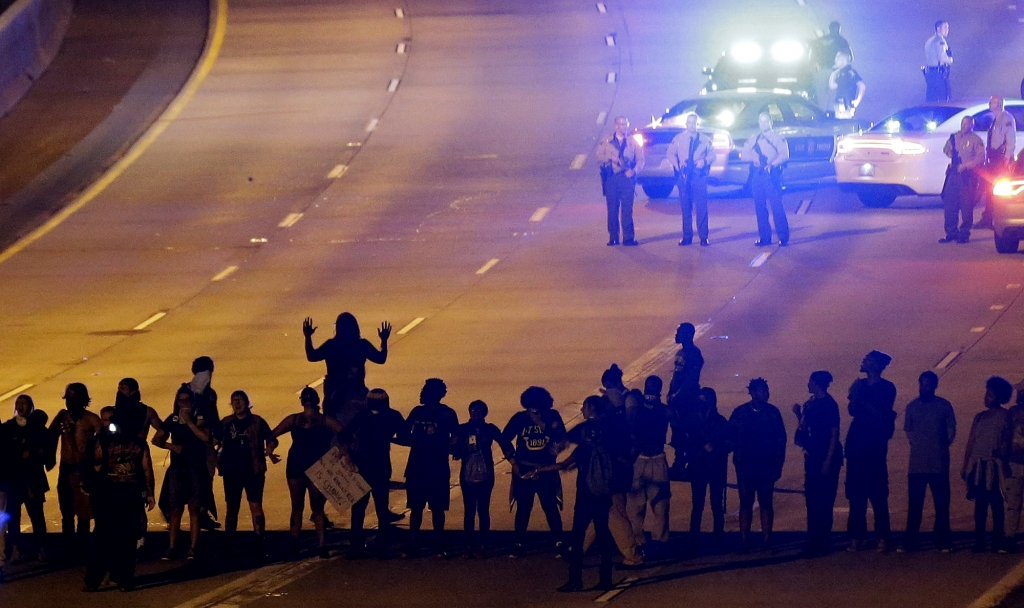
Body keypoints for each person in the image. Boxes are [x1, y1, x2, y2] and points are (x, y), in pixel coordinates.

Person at [536, 396, 616, 593]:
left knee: (578, 536)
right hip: (604, 492)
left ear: (590, 408)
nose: (582, 411)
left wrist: (540, 469)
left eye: (584, 407)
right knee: (604, 535)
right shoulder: (610, 430)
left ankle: (576, 579)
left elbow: (563, 458)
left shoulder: (583, 440)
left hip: (586, 494)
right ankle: (606, 578)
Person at [83, 408, 156, 592]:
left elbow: (96, 465)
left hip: (110, 496)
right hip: (125, 496)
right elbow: (146, 468)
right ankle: (123, 578)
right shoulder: (138, 443)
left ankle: (97, 579)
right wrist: (149, 492)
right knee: (125, 540)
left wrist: (91, 485)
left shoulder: (103, 441)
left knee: (104, 539)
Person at [270, 387, 342, 559]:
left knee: (298, 507)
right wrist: (341, 453)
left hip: (298, 465)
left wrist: (271, 448)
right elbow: (345, 434)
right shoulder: (324, 420)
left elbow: (272, 434)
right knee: (316, 509)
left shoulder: (295, 419)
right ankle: (321, 545)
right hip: (315, 467)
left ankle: (296, 544)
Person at [502, 386, 567, 557]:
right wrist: (513, 461)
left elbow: (562, 437)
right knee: (523, 507)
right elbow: (504, 439)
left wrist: (553, 450)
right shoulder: (519, 419)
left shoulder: (552, 416)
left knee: (550, 506)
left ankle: (558, 541)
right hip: (524, 467)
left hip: (545, 469)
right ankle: (519, 542)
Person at [399, 378, 459, 557]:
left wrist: (444, 446)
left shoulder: (447, 414)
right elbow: (403, 432)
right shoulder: (417, 412)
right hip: (418, 467)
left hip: (436, 468)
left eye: (427, 390)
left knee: (437, 508)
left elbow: (455, 436)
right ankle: (413, 542)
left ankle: (437, 543)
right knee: (416, 507)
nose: (423, 393)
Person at [844, 350, 897, 552]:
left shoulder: (886, 388)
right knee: (856, 493)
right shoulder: (859, 385)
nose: (863, 361)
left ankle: (883, 536)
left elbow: (882, 414)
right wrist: (855, 398)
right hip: (857, 444)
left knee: (877, 492)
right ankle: (856, 536)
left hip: (874, 445)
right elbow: (852, 410)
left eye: (867, 360)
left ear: (875, 365)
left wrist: (861, 399)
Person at [343, 388, 406, 559]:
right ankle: (382, 546)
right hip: (381, 467)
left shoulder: (362, 416)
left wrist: (349, 452)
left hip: (363, 466)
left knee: (359, 509)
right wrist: (388, 438)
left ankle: (356, 546)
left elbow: (344, 435)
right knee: (381, 509)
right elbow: (405, 435)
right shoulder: (392, 416)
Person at [153, 385, 213, 560]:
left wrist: (189, 422)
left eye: (187, 400)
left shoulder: (200, 417)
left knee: (194, 508)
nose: (183, 404)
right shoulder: (172, 419)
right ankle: (172, 547)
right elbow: (157, 439)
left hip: (196, 467)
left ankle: (193, 547)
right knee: (175, 509)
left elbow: (206, 438)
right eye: (181, 401)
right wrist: (172, 446)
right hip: (179, 468)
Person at [217, 390, 278, 557]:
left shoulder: (257, 421)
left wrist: (270, 448)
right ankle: (228, 544)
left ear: (247, 402)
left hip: (253, 470)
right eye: (234, 400)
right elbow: (213, 440)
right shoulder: (226, 423)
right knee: (232, 508)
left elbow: (272, 438)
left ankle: (259, 543)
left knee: (256, 507)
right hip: (232, 471)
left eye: (240, 400)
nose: (237, 403)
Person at [901, 371, 956, 552]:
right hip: (917, 465)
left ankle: (943, 541)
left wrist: (936, 445)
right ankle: (911, 541)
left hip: (938, 464)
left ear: (935, 385)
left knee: (941, 505)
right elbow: (908, 431)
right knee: (915, 505)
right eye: (923, 383)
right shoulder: (912, 407)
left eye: (929, 384)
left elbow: (951, 431)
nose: (926, 387)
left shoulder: (944, 406)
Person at [730, 378, 787, 552]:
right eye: (763, 390)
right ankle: (744, 539)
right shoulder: (740, 413)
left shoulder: (772, 413)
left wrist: (778, 465)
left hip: (765, 465)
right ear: (753, 393)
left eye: (766, 390)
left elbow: (780, 441)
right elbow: (731, 436)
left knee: (765, 502)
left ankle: (766, 539)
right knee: (745, 503)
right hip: (746, 466)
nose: (766, 394)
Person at [303, 314, 391, 425]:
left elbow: (312, 356)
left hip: (334, 392)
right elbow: (381, 358)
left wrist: (308, 337)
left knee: (329, 424)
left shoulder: (332, 345)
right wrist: (384, 340)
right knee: (365, 423)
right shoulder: (361, 345)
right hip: (357, 391)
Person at [453, 400, 513, 557]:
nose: (475, 413)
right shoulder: (462, 429)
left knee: (483, 510)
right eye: (472, 410)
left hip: (486, 474)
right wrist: (461, 448)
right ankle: (468, 544)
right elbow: (452, 448)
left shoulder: (490, 429)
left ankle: (483, 544)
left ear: (484, 413)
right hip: (467, 474)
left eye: (478, 410)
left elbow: (505, 443)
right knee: (469, 510)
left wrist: (515, 462)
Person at [793, 371, 843, 556]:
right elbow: (806, 428)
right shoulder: (810, 404)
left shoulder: (829, 405)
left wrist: (828, 461)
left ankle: (823, 540)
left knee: (824, 500)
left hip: (825, 457)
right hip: (813, 457)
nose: (808, 384)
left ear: (816, 383)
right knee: (812, 500)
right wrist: (799, 415)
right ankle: (815, 538)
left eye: (810, 381)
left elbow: (834, 435)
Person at [49, 382, 102, 557]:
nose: (70, 402)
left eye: (74, 398)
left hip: (85, 468)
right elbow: (50, 435)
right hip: (67, 467)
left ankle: (82, 547)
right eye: (69, 398)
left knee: (84, 510)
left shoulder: (91, 418)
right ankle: (69, 547)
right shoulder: (62, 417)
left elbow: (103, 440)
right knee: (66, 509)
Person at [962, 377, 1014, 553]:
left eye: (990, 395)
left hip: (995, 467)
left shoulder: (1005, 416)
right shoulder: (979, 417)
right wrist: (966, 465)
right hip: (978, 466)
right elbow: (971, 442)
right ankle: (979, 541)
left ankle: (997, 540)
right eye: (986, 393)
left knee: (997, 503)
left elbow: (1008, 441)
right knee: (980, 505)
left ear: (1000, 398)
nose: (986, 397)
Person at [682, 387, 732, 554]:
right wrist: (701, 449)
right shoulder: (692, 420)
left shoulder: (720, 421)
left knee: (716, 504)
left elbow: (729, 443)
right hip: (699, 467)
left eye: (705, 400)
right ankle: (693, 539)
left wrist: (715, 448)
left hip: (716, 467)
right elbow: (686, 443)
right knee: (697, 505)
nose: (703, 403)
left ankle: (718, 537)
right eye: (701, 400)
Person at [626, 376, 671, 558]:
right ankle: (646, 542)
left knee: (659, 507)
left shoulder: (637, 410)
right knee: (640, 508)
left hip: (649, 459)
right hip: (646, 459)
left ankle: (653, 543)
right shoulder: (665, 411)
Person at [3, 394, 50, 563]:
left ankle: (42, 548)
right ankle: (16, 549)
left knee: (36, 514)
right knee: (13, 516)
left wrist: (35, 454)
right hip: (14, 480)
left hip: (32, 479)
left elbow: (45, 451)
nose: (21, 406)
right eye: (18, 403)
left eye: (25, 403)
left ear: (31, 406)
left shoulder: (38, 428)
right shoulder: (8, 428)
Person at [666, 114, 716, 246]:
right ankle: (687, 237)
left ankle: (703, 237)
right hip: (684, 176)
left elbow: (712, 154)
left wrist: (704, 161)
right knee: (685, 208)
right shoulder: (679, 139)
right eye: (689, 123)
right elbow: (670, 153)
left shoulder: (704, 140)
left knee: (701, 207)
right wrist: (677, 166)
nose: (692, 125)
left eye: (694, 123)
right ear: (686, 124)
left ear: (697, 124)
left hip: (699, 176)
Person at [741, 113, 790, 247]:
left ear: (771, 122)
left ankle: (783, 237)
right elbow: (743, 154)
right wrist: (753, 158)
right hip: (757, 175)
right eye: (761, 121)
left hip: (772, 175)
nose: (763, 124)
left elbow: (785, 155)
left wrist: (772, 165)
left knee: (776, 206)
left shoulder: (778, 138)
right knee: (760, 207)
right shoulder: (754, 139)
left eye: (765, 121)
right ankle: (765, 237)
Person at [595, 116, 644, 246]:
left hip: (627, 178)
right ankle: (613, 237)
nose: (623, 127)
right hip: (611, 178)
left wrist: (634, 171)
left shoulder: (632, 142)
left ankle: (628, 237)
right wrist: (610, 158)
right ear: (616, 126)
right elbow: (598, 156)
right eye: (621, 125)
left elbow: (641, 159)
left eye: (625, 124)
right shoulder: (606, 141)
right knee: (612, 209)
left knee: (627, 209)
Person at [187, 357, 222, 532]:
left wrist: (217, 437)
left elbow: (214, 418)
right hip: (192, 444)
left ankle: (202, 512)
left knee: (206, 479)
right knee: (196, 479)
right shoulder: (190, 393)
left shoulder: (208, 393)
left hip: (206, 443)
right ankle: (198, 512)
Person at [939, 116, 986, 244]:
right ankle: (951, 232)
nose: (964, 126)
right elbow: (946, 149)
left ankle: (964, 233)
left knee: (966, 206)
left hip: (967, 176)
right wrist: (951, 153)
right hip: (953, 174)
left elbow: (980, 157)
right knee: (950, 204)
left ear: (972, 125)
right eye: (963, 124)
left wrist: (966, 165)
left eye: (967, 124)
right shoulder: (954, 137)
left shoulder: (975, 140)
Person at [977, 96, 1017, 229]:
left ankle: (998, 218)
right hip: (993, 158)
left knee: (1000, 189)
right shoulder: (995, 119)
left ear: (999, 103)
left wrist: (1006, 158)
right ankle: (988, 218)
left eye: (993, 101)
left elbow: (1010, 140)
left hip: (1001, 159)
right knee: (990, 189)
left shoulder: (1006, 118)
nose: (990, 103)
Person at [1004, 383, 1024, 552]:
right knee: (1013, 503)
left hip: (1014, 461)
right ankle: (1009, 536)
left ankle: (1010, 537)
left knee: (1013, 503)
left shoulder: (1013, 413)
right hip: (1015, 462)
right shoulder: (1012, 413)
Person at [668, 322, 704, 414]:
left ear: (688, 335)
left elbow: (691, 379)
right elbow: (676, 375)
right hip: (676, 396)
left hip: (687, 398)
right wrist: (671, 392)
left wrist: (678, 395)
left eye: (679, 332)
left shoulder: (694, 353)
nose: (676, 335)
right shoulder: (680, 352)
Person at [828, 52, 866, 119]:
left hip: (845, 107)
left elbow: (832, 85)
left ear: (843, 60)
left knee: (843, 126)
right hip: (840, 106)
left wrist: (857, 101)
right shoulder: (842, 73)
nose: (835, 61)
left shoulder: (848, 73)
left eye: (837, 59)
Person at [923, 21, 952, 102]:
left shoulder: (929, 40)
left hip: (931, 72)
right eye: (945, 27)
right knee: (944, 99)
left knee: (931, 98)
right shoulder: (940, 40)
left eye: (948, 28)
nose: (947, 30)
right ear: (938, 28)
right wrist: (950, 59)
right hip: (939, 73)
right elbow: (942, 57)